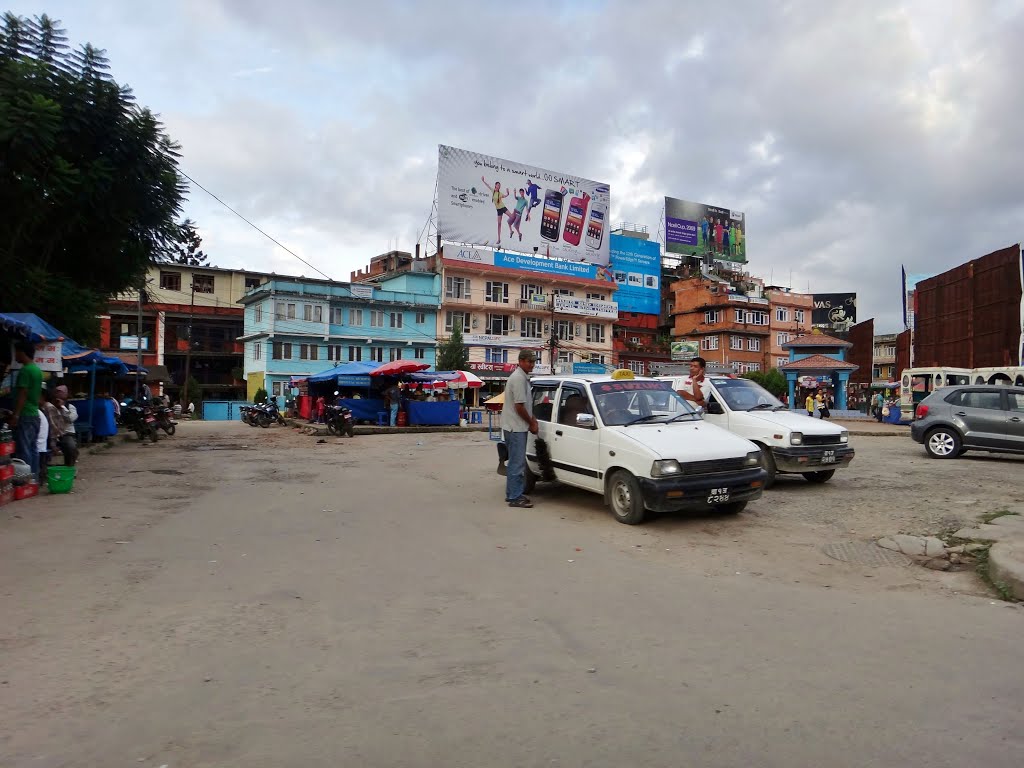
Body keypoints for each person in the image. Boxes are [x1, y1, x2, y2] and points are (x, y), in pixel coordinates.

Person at [501, 349, 538, 508]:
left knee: (515, 463)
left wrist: (532, 417)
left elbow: (524, 405)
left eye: (533, 362)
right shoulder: (518, 378)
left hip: (514, 426)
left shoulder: (522, 377)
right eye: (529, 362)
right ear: (521, 361)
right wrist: (531, 423)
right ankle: (515, 497)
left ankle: (512, 494)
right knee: (517, 464)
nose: (532, 365)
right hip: (516, 428)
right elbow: (519, 407)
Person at [7, 340, 43, 482]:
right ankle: (33, 478)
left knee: (24, 449)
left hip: (26, 414)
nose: (15, 355)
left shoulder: (26, 371)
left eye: (16, 352)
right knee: (33, 448)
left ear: (23, 352)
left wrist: (15, 415)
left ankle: (25, 479)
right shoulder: (37, 370)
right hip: (34, 414)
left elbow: (23, 394)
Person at [482, 176, 513, 246]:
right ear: (495, 185)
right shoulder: (493, 191)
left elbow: (505, 196)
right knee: (499, 224)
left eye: (500, 185)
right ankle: (499, 239)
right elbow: (488, 186)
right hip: (498, 210)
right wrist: (483, 181)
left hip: (503, 207)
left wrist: (508, 193)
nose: (499, 186)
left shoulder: (500, 193)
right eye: (498, 185)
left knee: (512, 217)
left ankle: (511, 231)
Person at [54, 385, 79, 466]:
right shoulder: (51, 407)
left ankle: (69, 467)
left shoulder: (70, 407)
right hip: (53, 433)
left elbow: (70, 419)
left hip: (67, 434)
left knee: (70, 446)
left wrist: (62, 407)